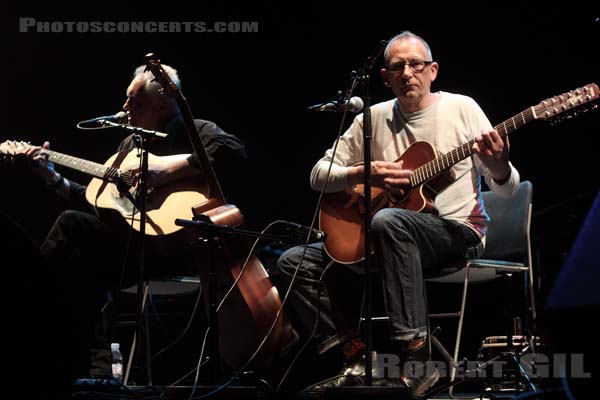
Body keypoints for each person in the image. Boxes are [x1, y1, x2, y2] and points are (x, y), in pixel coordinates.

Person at [275, 31, 520, 396]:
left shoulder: (462, 108)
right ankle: (354, 357)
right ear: (385, 78)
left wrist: (499, 165)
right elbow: (317, 177)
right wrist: (363, 173)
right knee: (295, 262)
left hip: (456, 232)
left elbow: (507, 188)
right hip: (387, 235)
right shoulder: (371, 120)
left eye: (416, 64)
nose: (408, 73)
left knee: (389, 220)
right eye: (397, 66)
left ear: (433, 70)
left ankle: (419, 360)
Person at [11, 64, 247, 385]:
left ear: (162, 105)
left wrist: (169, 169)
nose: (125, 109)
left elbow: (233, 151)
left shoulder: (195, 130)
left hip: (178, 248)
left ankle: (20, 301)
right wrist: (53, 178)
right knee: (78, 248)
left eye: (134, 102)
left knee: (72, 229)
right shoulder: (129, 148)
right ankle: (66, 352)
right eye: (126, 100)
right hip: (131, 249)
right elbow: (101, 206)